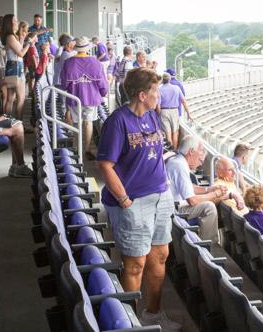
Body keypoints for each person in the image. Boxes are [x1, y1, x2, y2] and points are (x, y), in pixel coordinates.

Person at [97, 68, 180, 330]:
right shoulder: (118, 121)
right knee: (135, 264)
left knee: (160, 256)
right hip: (132, 202)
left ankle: (152, 315)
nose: (159, 96)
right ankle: (130, 323)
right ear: (143, 95)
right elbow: (106, 165)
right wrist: (123, 200)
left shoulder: (153, 117)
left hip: (159, 196)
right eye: (155, 91)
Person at [165, 135, 229, 244]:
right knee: (209, 207)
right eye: (201, 151)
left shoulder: (178, 160)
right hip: (174, 210)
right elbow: (192, 200)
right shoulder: (179, 165)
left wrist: (209, 189)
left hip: (173, 206)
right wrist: (215, 194)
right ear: (191, 151)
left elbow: (188, 188)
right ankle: (208, 245)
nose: (202, 156)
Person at [60, 37, 108, 159]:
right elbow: (103, 84)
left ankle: (77, 149)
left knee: (76, 123)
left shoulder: (69, 62)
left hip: (74, 96)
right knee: (88, 122)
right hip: (91, 98)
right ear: (87, 48)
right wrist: (103, 93)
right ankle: (86, 149)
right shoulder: (96, 62)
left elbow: (64, 84)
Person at [0, 14, 34, 119]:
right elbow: (21, 53)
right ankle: (18, 123)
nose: (17, 22)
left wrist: (23, 39)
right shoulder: (10, 36)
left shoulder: (11, 36)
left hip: (13, 66)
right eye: (15, 20)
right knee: (20, 98)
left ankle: (9, 122)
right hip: (15, 68)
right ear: (10, 23)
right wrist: (29, 42)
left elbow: (18, 49)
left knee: (11, 98)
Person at [156, 73, 191, 148]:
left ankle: (170, 151)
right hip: (175, 111)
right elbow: (183, 101)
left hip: (163, 111)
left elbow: (158, 105)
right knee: (175, 132)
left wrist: (159, 114)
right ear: (170, 79)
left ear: (162, 80)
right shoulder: (176, 88)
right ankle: (174, 150)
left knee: (167, 133)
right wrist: (188, 114)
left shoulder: (159, 89)